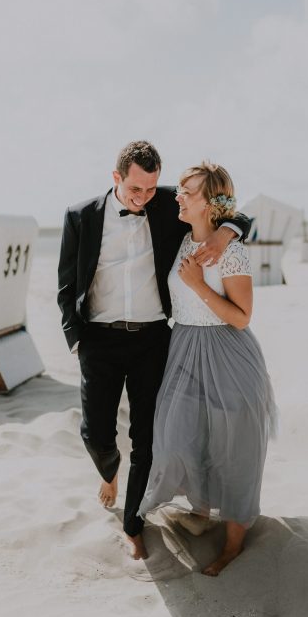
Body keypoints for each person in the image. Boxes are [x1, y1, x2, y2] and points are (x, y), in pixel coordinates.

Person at [57, 141, 250, 560]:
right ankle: (109, 472)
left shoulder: (168, 205)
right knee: (96, 434)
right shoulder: (80, 216)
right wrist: (76, 339)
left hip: (153, 341)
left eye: (150, 189)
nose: (143, 198)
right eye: (135, 190)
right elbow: (66, 283)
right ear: (116, 178)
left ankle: (133, 524)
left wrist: (225, 231)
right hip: (98, 340)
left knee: (146, 439)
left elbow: (236, 213)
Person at [137, 161, 278, 576]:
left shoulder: (232, 251)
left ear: (213, 203)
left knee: (235, 450)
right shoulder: (182, 236)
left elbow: (242, 317)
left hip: (227, 353)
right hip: (183, 348)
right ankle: (199, 509)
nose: (177, 196)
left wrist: (200, 283)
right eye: (179, 189)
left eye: (188, 191)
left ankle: (233, 544)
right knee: (178, 438)